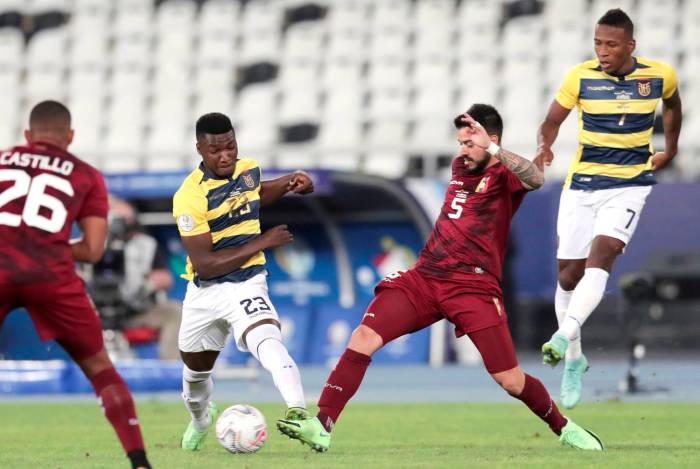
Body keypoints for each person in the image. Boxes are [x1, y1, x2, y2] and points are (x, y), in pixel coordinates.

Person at [277, 104, 604, 452]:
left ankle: (564, 427)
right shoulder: (460, 166)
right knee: (364, 336)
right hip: (426, 277)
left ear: (492, 140)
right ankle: (322, 425)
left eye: (470, 143)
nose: (463, 150)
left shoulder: (505, 176)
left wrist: (493, 149)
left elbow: (535, 178)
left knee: (509, 379)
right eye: (461, 142)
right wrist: (475, 148)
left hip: (473, 288)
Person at [536, 9, 682, 409]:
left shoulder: (659, 76)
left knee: (600, 259)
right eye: (598, 43)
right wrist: (544, 146)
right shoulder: (579, 77)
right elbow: (551, 120)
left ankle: (562, 335)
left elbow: (673, 105)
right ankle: (574, 358)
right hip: (582, 185)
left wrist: (670, 149)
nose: (602, 51)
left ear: (630, 46)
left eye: (611, 45)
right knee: (568, 276)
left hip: (629, 185)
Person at [0, 101, 151, 469]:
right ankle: (139, 462)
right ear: (70, 136)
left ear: (27, 135)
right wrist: (45, 247)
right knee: (101, 368)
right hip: (51, 275)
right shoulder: (86, 175)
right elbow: (93, 250)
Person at [172, 112, 315, 451]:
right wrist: (263, 241)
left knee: (266, 338)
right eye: (215, 151)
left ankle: (300, 414)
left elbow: (255, 193)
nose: (225, 156)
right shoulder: (189, 196)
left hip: (247, 282)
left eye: (231, 147)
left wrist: (291, 182)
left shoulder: (248, 170)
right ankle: (201, 420)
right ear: (200, 150)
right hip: (204, 293)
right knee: (195, 375)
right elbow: (205, 265)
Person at [106, 197, 181, 360]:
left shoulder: (146, 244)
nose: (120, 224)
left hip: (137, 310)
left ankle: (170, 368)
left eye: (124, 219)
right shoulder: (93, 244)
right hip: (100, 310)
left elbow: (165, 278)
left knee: (175, 312)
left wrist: (151, 283)